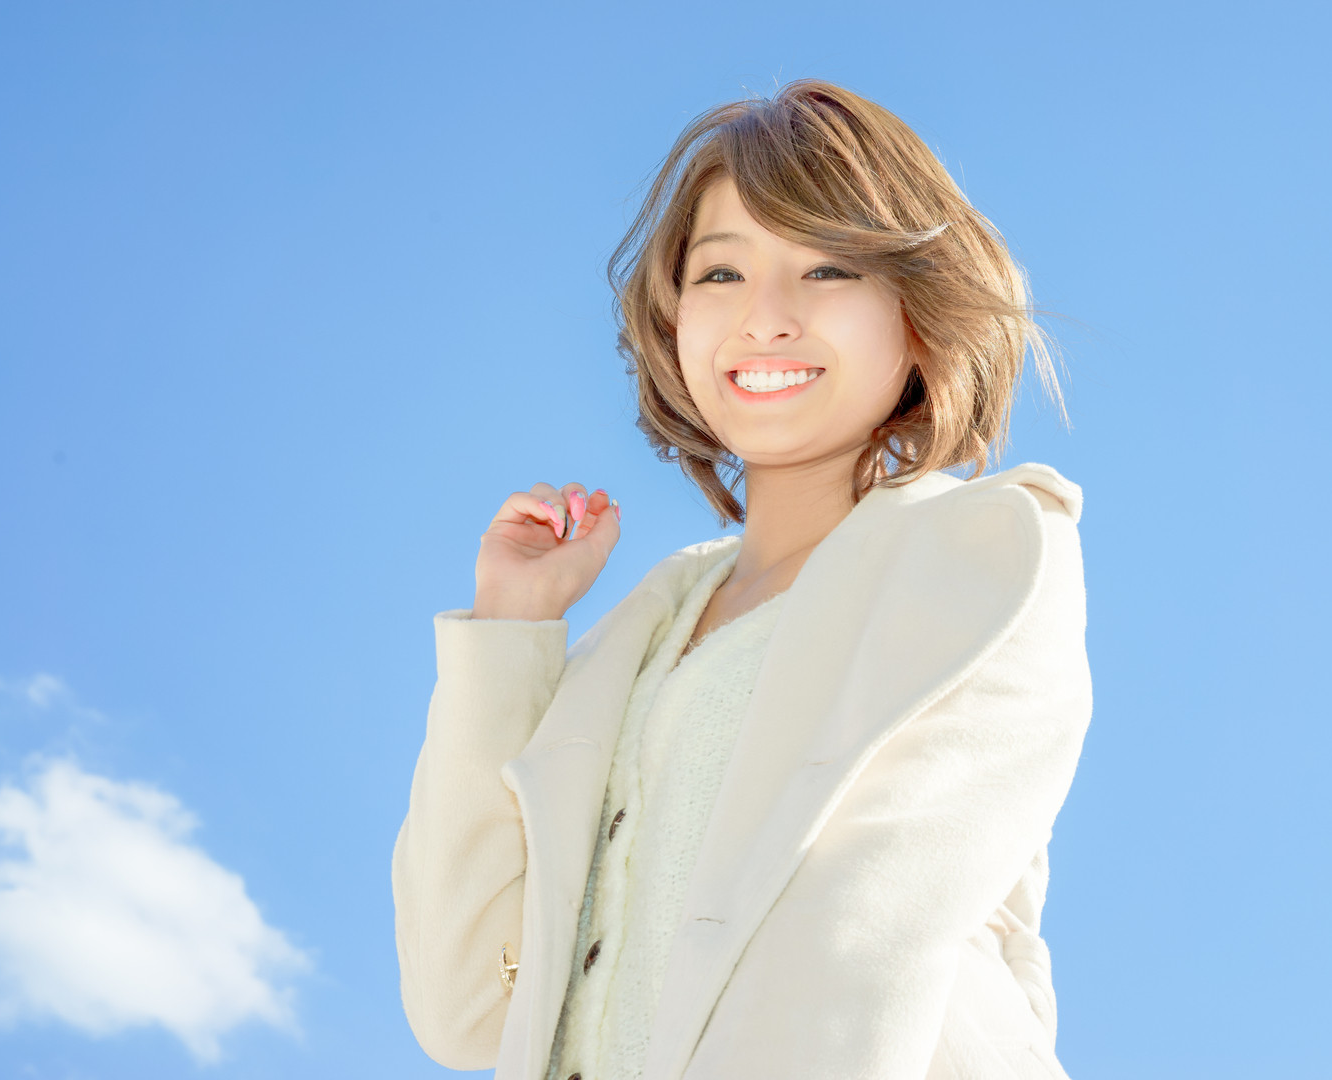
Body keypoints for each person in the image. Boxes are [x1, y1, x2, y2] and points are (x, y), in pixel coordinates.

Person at [392, 78, 1093, 1080]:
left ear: (917, 314)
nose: (764, 317)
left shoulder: (986, 548)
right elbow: (466, 1007)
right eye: (721, 272)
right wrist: (510, 630)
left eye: (827, 267)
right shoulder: (644, 634)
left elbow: (854, 947)